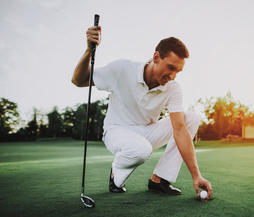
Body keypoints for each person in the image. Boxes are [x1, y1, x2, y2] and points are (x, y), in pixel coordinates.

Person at [72, 24, 212, 201]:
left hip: (147, 132)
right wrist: (88, 51)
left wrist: (196, 175)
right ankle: (116, 174)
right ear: (156, 57)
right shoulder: (122, 69)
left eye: (178, 71)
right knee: (141, 149)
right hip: (116, 131)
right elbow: (79, 80)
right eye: (170, 67)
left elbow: (179, 130)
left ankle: (159, 179)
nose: (173, 76)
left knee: (191, 118)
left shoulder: (173, 88)